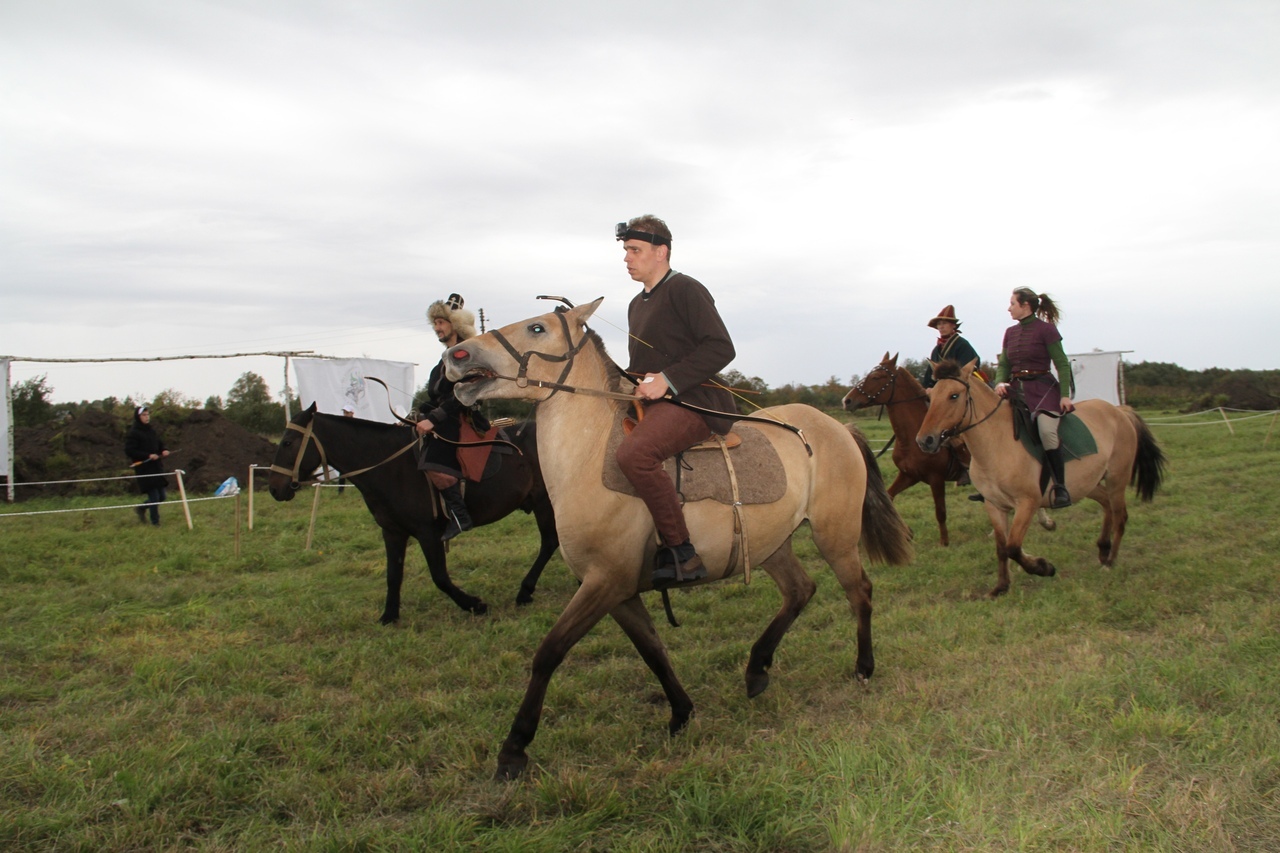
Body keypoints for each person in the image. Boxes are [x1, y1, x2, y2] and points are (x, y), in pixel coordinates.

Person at [615, 215, 738, 588]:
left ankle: (682, 552)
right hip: (654, 403)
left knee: (634, 455)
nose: (627, 258)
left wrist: (668, 380)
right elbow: (643, 368)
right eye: (625, 251)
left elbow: (721, 347)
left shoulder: (686, 289)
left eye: (634, 250)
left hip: (698, 401)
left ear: (661, 251)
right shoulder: (636, 304)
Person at [994, 287, 1076, 509]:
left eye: (1012, 303)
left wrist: (1065, 395)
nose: (1009, 308)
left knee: (1047, 432)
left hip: (1043, 389)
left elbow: (1061, 363)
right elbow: (1004, 364)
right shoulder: (1010, 332)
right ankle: (993, 485)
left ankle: (1060, 487)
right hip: (1016, 389)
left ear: (1025, 305)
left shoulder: (1046, 330)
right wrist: (1000, 382)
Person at [415, 293, 486, 541]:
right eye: (435, 323)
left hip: (458, 419)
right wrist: (417, 415)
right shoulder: (443, 359)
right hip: (443, 418)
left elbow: (463, 394)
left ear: (454, 325)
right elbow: (434, 397)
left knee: (434, 465)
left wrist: (432, 420)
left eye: (441, 323)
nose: (437, 328)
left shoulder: (463, 355)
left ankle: (459, 515)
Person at [124, 405, 170, 525]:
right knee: (154, 497)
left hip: (156, 467)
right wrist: (147, 455)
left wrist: (163, 450)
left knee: (162, 496)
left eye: (148, 414)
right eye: (144, 415)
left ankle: (141, 508)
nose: (147, 417)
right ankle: (155, 523)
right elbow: (130, 450)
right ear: (138, 417)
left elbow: (159, 444)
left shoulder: (151, 431)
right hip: (144, 469)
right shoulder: (134, 433)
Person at [921, 305, 981, 388]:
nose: (941, 327)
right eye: (939, 324)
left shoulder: (962, 345)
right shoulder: (936, 350)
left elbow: (965, 373)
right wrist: (928, 388)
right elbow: (929, 375)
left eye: (944, 323)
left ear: (953, 325)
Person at [337, 404, 355, 493]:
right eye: (344, 412)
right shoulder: (342, 425)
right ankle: (340, 490)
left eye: (347, 412)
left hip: (354, 451)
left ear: (352, 413)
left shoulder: (356, 424)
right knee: (342, 471)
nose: (345, 414)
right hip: (345, 451)